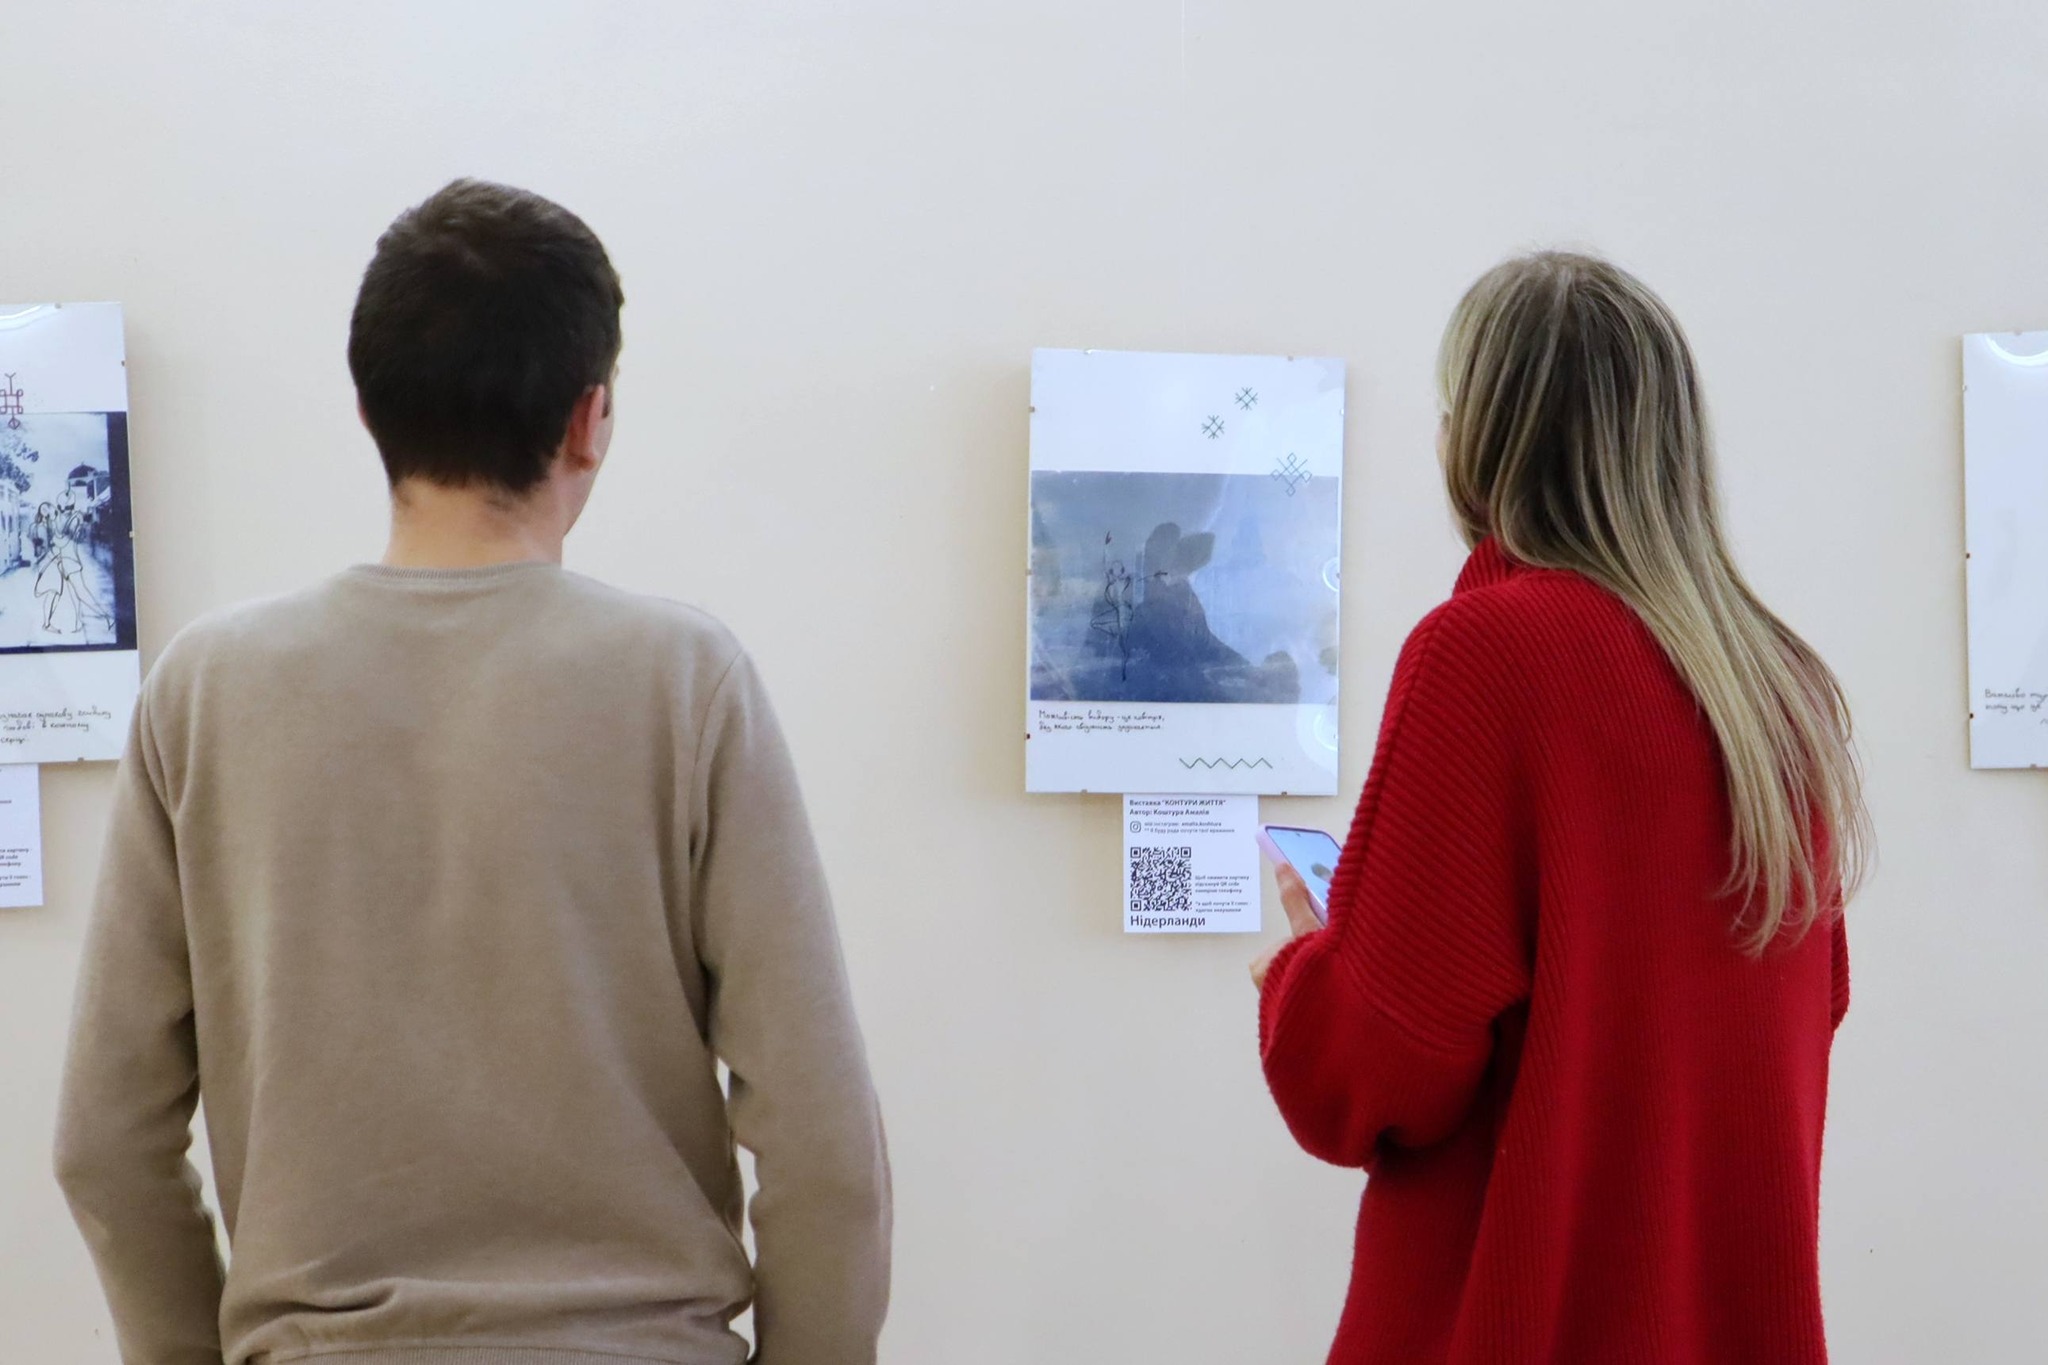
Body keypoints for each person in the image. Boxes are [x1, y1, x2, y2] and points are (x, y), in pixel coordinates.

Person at [54, 179, 891, 1365]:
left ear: (368, 410)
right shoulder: (684, 681)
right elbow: (823, 1147)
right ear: (590, 418)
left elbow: (103, 1143)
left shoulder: (206, 691)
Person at [1252, 252, 1867, 1364]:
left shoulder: (1484, 657)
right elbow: (1790, 1023)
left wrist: (1301, 976)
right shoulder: (1779, 690)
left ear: (1480, 437)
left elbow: (1371, 1078)